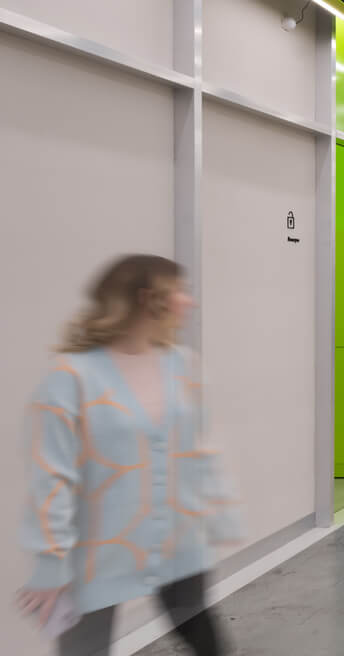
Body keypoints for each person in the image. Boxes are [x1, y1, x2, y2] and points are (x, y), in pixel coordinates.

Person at [19, 255, 238, 656]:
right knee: (84, 648)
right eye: (180, 291)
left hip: (178, 538)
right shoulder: (71, 377)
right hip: (100, 547)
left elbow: (202, 449)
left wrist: (219, 515)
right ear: (147, 299)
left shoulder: (183, 366)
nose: (190, 302)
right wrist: (51, 564)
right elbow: (53, 476)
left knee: (206, 639)